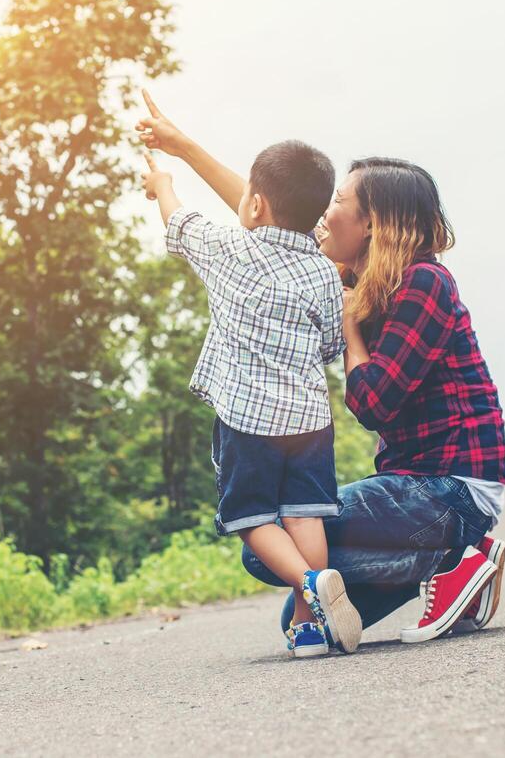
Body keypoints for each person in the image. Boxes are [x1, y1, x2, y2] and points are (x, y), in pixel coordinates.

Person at [138, 96, 505, 645]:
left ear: (370, 224)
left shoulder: (424, 283)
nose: (324, 212)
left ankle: (454, 562)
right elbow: (269, 217)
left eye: (338, 200)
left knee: (278, 538)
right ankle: (452, 570)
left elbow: (372, 404)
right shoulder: (346, 272)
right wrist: (184, 147)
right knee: (280, 575)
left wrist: (350, 325)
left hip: (450, 488)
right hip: (411, 486)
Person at [138, 95, 360, 658]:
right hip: (309, 420)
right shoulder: (320, 268)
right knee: (304, 514)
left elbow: (177, 218)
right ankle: (309, 627)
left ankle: (310, 585)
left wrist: (162, 181)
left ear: (256, 204)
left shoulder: (228, 249)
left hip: (248, 421)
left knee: (252, 518)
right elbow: (333, 343)